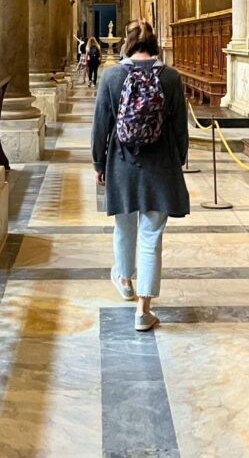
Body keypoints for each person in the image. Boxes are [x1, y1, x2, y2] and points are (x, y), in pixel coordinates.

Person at [91, 19, 189, 331]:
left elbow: (100, 126)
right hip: (160, 165)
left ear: (127, 44)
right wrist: (179, 160)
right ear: (155, 45)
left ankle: (124, 280)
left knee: (124, 224)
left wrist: (98, 163)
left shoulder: (112, 76)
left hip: (122, 163)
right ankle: (144, 310)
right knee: (152, 235)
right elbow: (179, 128)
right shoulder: (171, 77)